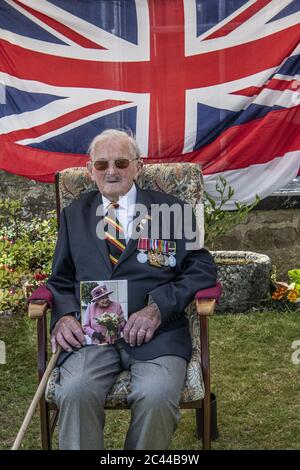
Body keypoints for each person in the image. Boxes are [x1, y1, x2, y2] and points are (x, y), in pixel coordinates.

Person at [47, 129, 217, 450]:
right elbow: (60, 279)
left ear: (138, 166)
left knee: (155, 396)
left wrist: (158, 308)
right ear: (90, 170)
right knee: (75, 391)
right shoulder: (74, 216)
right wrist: (64, 316)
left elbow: (202, 268)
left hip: (158, 334)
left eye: (121, 162)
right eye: (102, 165)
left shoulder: (173, 211)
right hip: (92, 335)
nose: (111, 171)